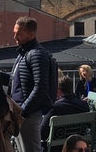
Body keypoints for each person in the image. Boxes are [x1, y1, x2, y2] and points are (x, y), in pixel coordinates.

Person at [10, 16, 56, 152]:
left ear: (31, 34)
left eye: (19, 34)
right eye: (14, 32)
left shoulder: (36, 54)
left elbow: (40, 88)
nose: (15, 37)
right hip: (21, 114)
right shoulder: (23, 53)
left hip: (27, 115)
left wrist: (23, 111)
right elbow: (16, 80)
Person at [41, 75, 90, 150]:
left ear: (58, 90)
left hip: (56, 148)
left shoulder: (55, 108)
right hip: (78, 146)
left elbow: (42, 133)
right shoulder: (84, 105)